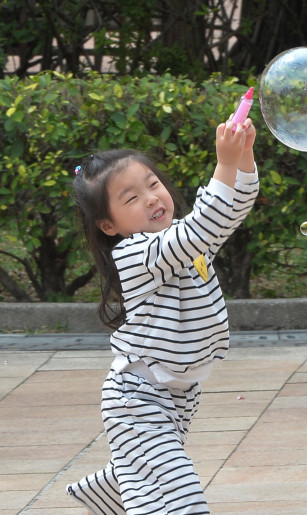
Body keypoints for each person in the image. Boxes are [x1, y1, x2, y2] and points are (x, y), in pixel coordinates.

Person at [67, 115, 259, 514]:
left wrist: (243, 158)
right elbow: (206, 223)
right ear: (108, 225)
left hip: (180, 394)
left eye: (153, 184)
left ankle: (112, 491)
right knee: (180, 497)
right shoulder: (138, 253)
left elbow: (229, 212)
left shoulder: (186, 243)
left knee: (155, 478)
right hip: (138, 397)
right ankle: (125, 484)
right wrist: (223, 165)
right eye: (131, 198)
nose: (152, 197)